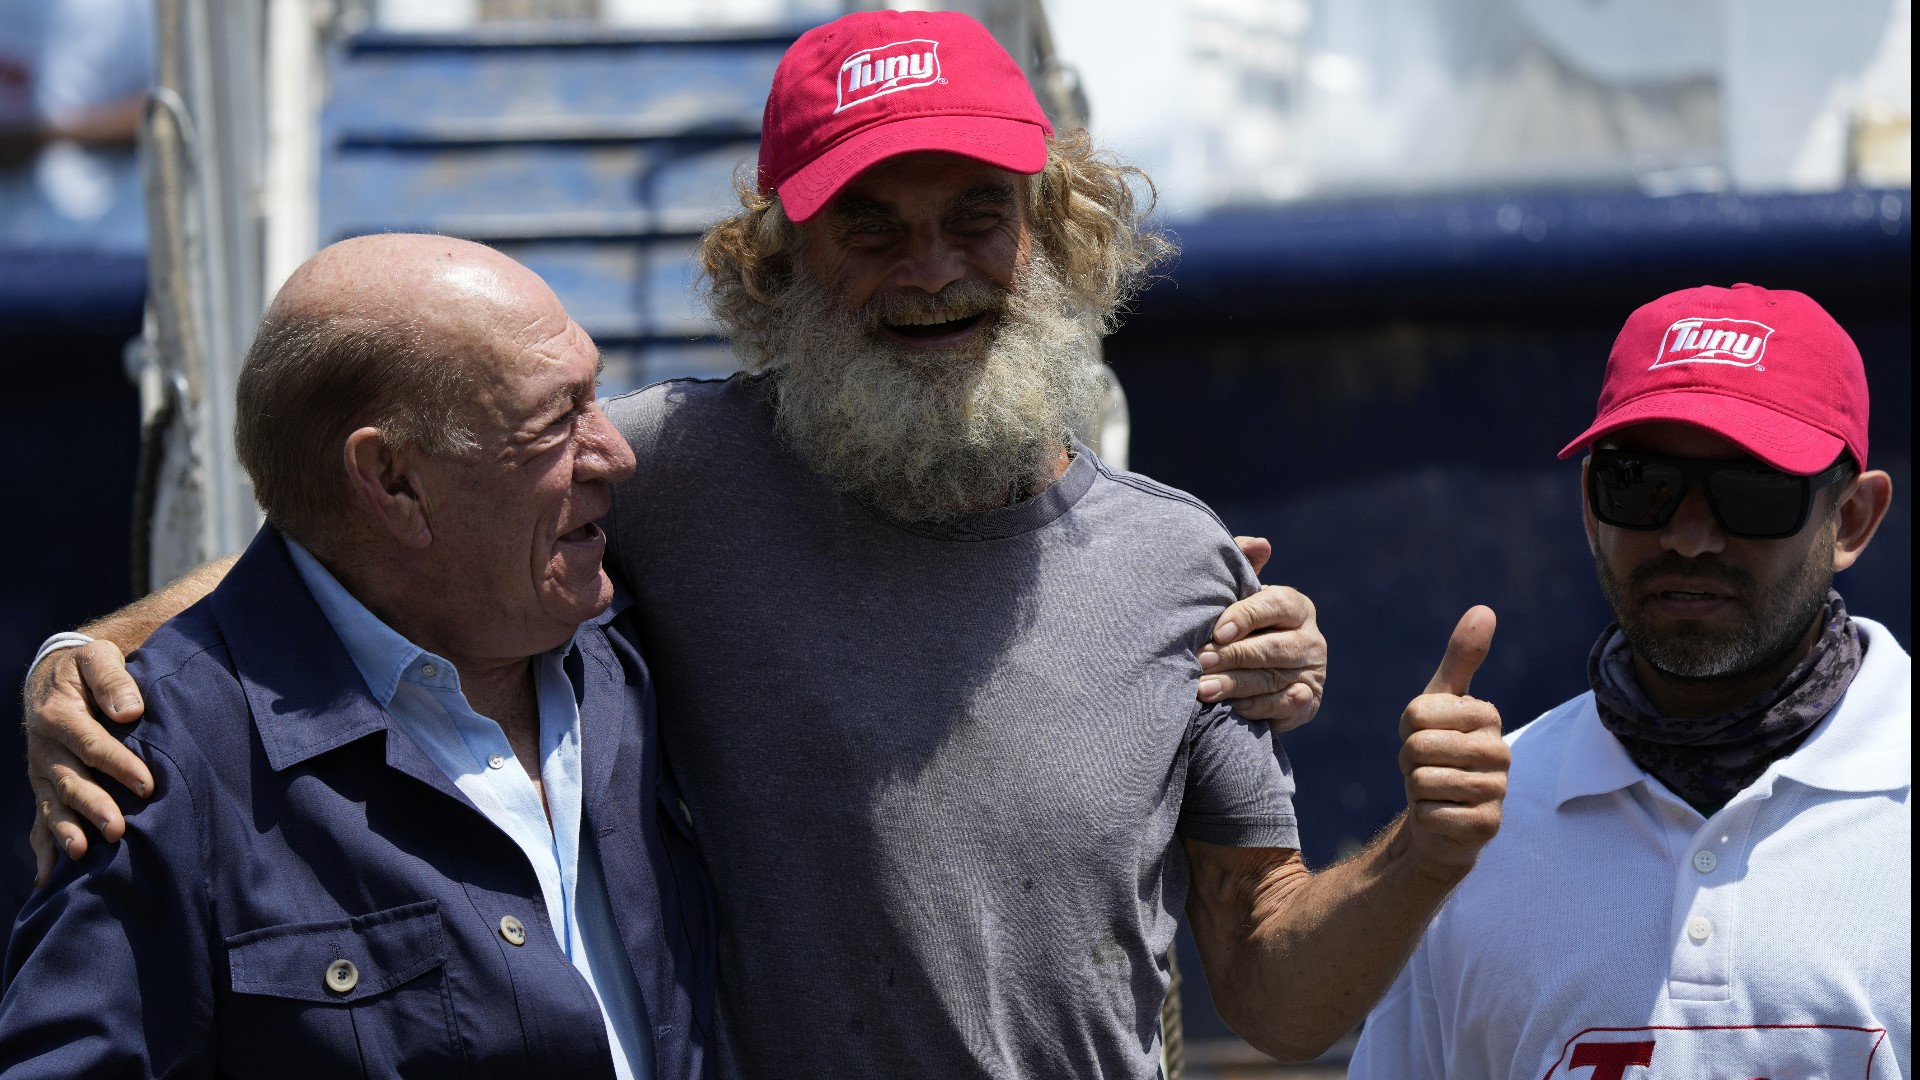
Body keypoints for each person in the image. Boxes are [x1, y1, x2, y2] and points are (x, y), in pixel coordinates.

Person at [23, 11, 1510, 1077]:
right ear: (782, 263)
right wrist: (91, 656)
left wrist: (1426, 854)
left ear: (1049, 232)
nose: (933, 272)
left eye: (975, 218)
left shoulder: (1186, 566)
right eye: (872, 228)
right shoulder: (666, 470)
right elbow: (356, 536)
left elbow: (1277, 993)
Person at [0, 235, 712, 1079]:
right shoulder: (163, 771)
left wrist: (83, 642)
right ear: (393, 481)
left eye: (597, 396)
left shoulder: (635, 624)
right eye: (559, 417)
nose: (617, 454)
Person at [1347, 283, 1907, 1080]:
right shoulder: (1477, 828)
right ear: (1590, 509)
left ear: (1850, 520)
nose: (1688, 536)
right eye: (1640, 484)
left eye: (1752, 491)